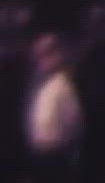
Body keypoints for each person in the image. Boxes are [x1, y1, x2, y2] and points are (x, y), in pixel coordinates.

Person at [24, 33, 84, 183]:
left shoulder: (63, 85)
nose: (39, 60)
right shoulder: (42, 85)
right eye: (37, 55)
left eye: (45, 54)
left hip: (56, 157)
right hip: (40, 155)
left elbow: (74, 124)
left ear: (57, 55)